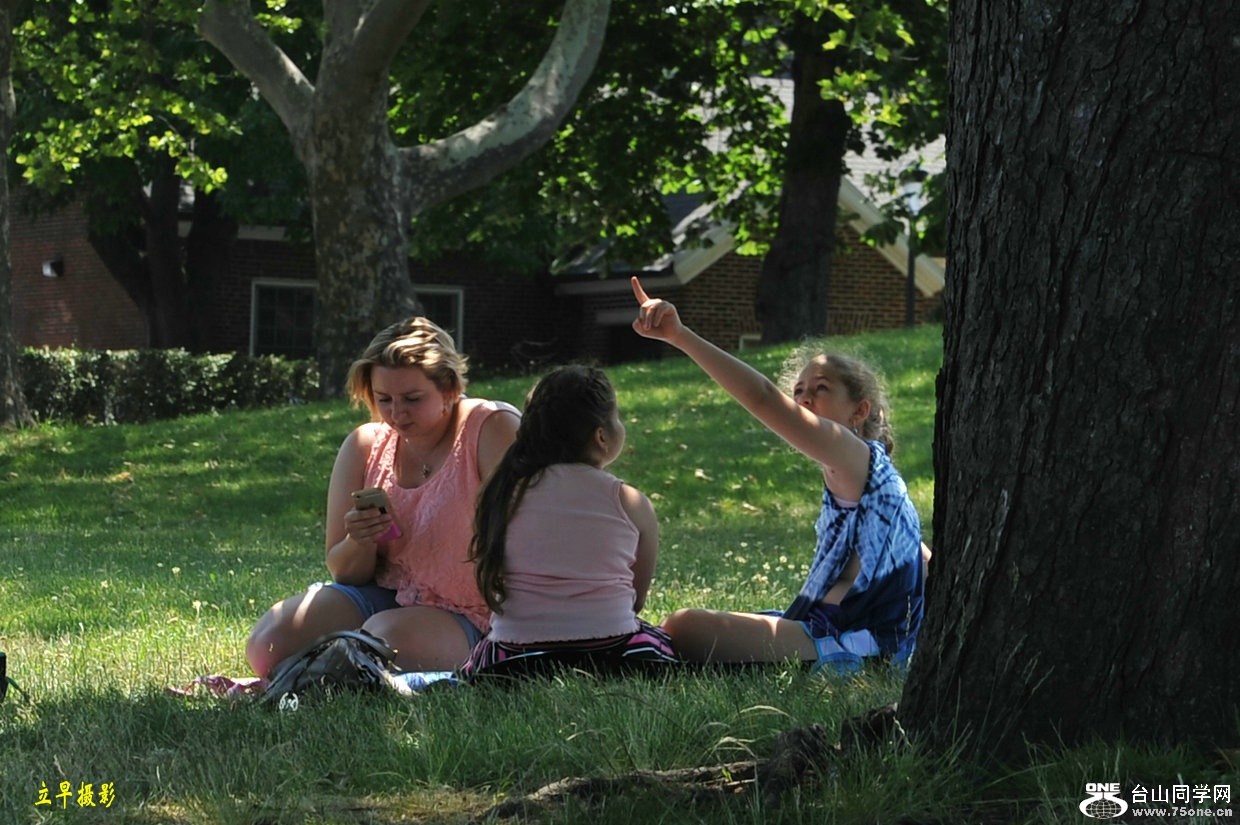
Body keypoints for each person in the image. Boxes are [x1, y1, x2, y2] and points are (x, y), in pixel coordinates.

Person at [630, 277, 925, 672]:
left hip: (854, 645)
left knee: (684, 627)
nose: (804, 398)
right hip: (829, 629)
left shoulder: (856, 457)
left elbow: (763, 398)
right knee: (683, 629)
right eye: (798, 390)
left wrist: (680, 336)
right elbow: (919, 556)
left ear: (859, 411)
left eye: (821, 388)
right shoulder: (871, 482)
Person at [245, 317, 520, 677]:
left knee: (379, 643)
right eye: (384, 399)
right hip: (386, 594)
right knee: (269, 643)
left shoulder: (491, 427)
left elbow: (534, 539)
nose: (397, 414)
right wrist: (361, 539)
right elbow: (344, 572)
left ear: (449, 389)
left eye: (412, 399)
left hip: (473, 610)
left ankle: (324, 673)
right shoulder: (365, 445)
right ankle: (323, 672)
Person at [461, 364, 677, 678]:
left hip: (513, 654)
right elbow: (635, 599)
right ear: (601, 435)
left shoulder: (502, 494)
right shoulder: (630, 502)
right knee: (665, 644)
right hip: (613, 648)